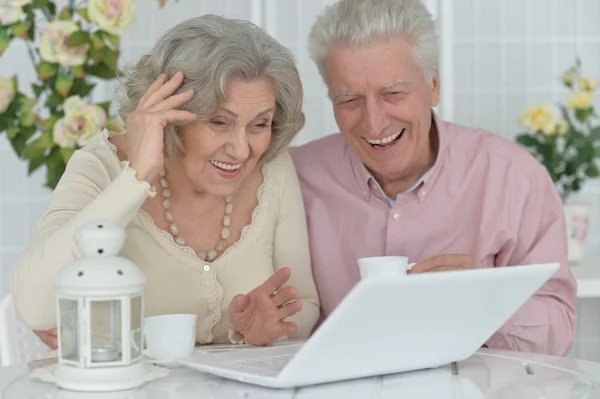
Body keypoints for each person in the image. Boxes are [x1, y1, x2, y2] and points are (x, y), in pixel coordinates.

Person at [11, 14, 319, 349]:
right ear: (168, 115)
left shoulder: (273, 168)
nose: (241, 149)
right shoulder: (100, 166)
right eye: (219, 121)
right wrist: (136, 177)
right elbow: (34, 306)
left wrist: (273, 326)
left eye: (259, 124)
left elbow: (304, 303)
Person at [290, 0, 576, 356]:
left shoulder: (513, 178)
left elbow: (558, 331)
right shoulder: (293, 179)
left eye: (394, 94)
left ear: (434, 86)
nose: (374, 123)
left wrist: (481, 300)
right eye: (349, 100)